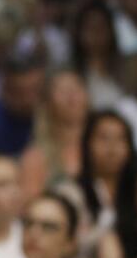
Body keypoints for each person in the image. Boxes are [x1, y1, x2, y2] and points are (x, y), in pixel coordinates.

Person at [55, 110, 135, 251]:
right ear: (87, 144)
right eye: (104, 138)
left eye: (120, 138)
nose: (112, 147)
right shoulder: (69, 193)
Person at [19, 69, 88, 201]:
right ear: (47, 102)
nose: (71, 96)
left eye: (76, 88)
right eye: (62, 90)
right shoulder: (35, 156)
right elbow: (30, 205)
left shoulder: (101, 146)